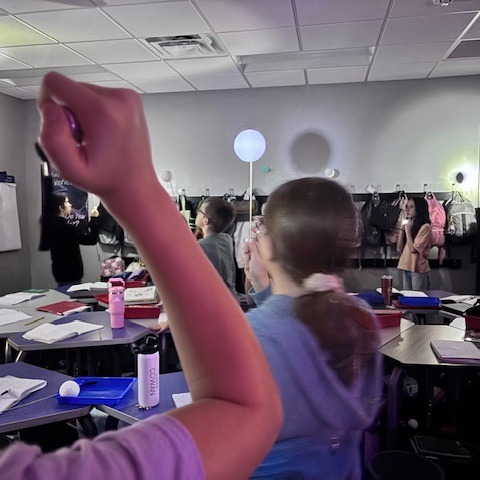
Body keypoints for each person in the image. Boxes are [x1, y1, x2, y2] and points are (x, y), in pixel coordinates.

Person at [0, 72, 282, 479]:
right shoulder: (219, 246)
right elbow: (244, 410)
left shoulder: (207, 246)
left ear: (205, 219)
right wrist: (135, 187)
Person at [243, 178, 382, 479]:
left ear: (269, 246)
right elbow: (300, 320)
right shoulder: (361, 316)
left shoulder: (248, 334)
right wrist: (263, 287)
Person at [41, 192, 100, 287]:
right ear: (61, 208)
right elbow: (91, 240)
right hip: (71, 274)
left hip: (59, 272)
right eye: (67, 202)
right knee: (71, 299)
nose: (70, 205)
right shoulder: (66, 228)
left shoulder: (50, 227)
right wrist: (95, 219)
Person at [195, 197, 247, 306]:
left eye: (199, 211)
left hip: (216, 304)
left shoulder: (199, 247)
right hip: (231, 299)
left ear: (206, 220)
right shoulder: (226, 239)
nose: (197, 213)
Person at [396, 197, 432, 290]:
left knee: (418, 298)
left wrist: (407, 231)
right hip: (406, 266)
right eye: (407, 206)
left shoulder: (425, 227)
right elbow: (399, 248)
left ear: (419, 209)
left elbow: (413, 249)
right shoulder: (410, 224)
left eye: (411, 207)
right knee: (406, 298)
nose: (407, 210)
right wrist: (401, 229)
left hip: (418, 268)